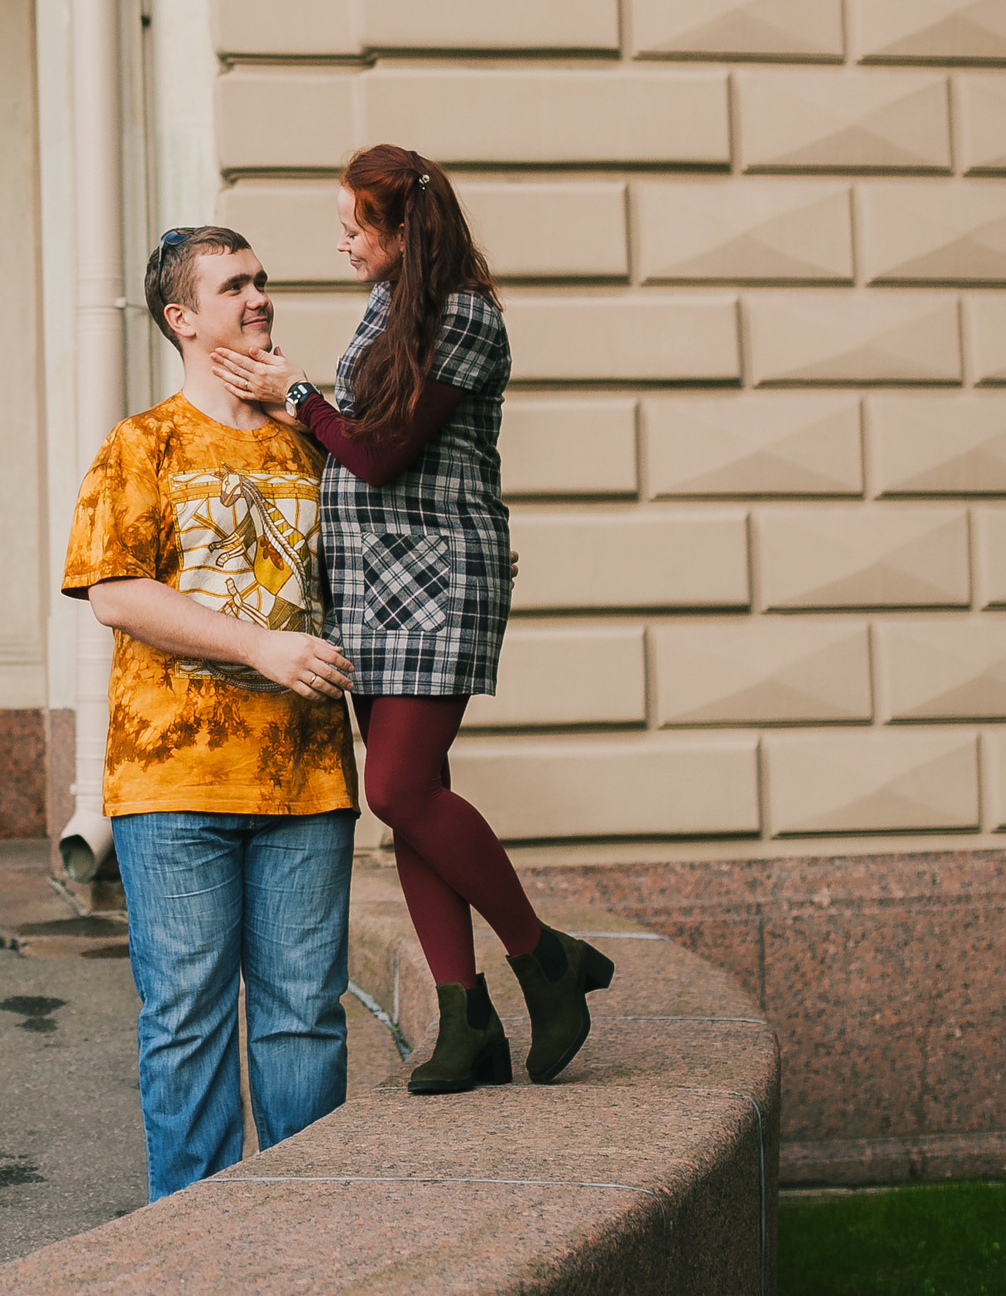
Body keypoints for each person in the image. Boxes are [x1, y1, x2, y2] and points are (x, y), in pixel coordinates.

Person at [212, 145, 615, 1095]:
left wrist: (297, 394)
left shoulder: (463, 317)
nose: (342, 239)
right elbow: (345, 439)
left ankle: (545, 958)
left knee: (395, 786)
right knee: (413, 802)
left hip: (436, 580)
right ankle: (464, 1019)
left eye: (356, 224)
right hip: (371, 585)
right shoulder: (386, 312)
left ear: (404, 229)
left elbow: (379, 452)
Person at [61, 226, 360, 1201]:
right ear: (180, 318)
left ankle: (306, 1234)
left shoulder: (311, 445)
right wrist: (259, 646)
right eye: (235, 287)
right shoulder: (139, 445)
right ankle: (194, 1241)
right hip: (171, 781)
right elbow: (116, 594)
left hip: (306, 779)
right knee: (187, 1017)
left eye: (262, 282)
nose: (258, 299)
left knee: (303, 1017)